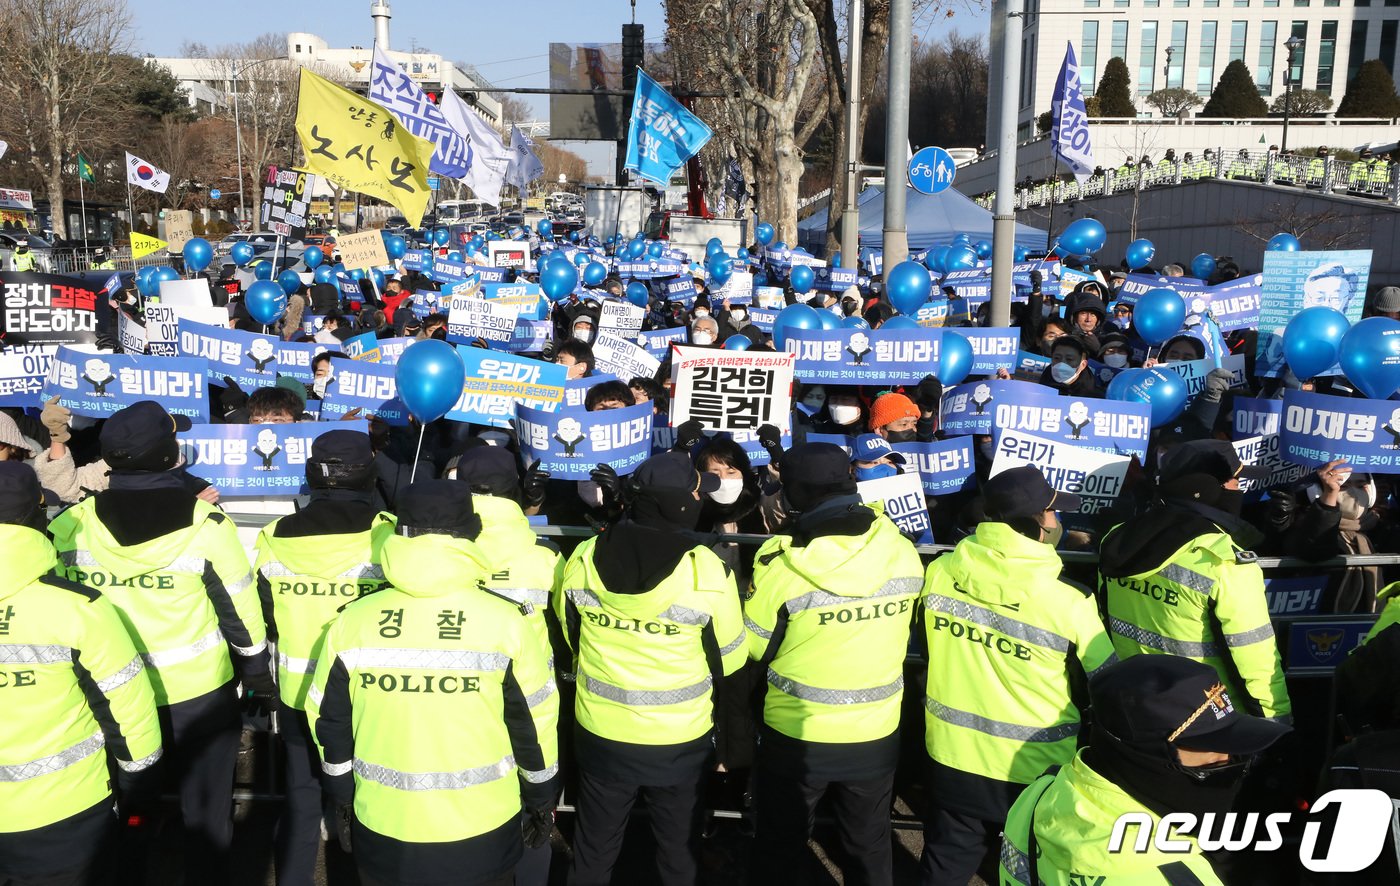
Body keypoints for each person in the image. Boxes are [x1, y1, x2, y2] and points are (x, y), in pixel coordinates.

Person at [47, 400, 273, 886]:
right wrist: (257, 674)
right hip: (198, 696)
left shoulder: (71, 524)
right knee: (206, 812)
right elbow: (240, 611)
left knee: (130, 805)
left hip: (108, 695)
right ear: (170, 456)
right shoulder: (207, 524)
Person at [307, 480, 560, 886]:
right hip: (483, 829)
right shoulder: (505, 622)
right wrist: (541, 797)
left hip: (384, 825)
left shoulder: (353, 620)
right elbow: (534, 722)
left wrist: (341, 797)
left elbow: (328, 719)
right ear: (472, 534)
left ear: (397, 533)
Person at [918, 466, 1117, 885]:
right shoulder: (1070, 601)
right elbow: (1107, 685)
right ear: (1034, 526)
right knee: (1033, 869)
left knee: (945, 863)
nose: (1057, 520)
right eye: (1052, 512)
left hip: (951, 753)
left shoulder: (940, 571)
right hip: (1036, 769)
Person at [555, 451, 747, 886]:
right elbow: (731, 658)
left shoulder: (584, 555)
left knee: (593, 850)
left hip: (601, 731)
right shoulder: (705, 568)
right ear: (680, 503)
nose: (701, 497)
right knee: (678, 853)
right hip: (678, 740)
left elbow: (570, 636)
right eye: (697, 491)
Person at [745, 443, 924, 885]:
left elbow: (754, 647)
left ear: (794, 494)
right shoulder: (901, 550)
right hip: (875, 731)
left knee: (781, 846)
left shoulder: (780, 563)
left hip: (797, 734)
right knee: (869, 846)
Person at [0, 461, 164, 886]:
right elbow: (127, 707)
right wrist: (138, 789)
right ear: (38, 514)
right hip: (65, 813)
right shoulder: (78, 608)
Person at [999, 655, 1291, 886]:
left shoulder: (1038, 794)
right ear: (1140, 759)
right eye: (1208, 748)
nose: (1227, 759)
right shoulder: (1182, 876)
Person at [253, 431, 392, 886]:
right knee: (373, 796)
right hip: (371, 694)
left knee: (301, 797)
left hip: (298, 692)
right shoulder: (388, 534)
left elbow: (266, 615)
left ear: (312, 473)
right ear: (369, 474)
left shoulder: (275, 535)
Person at [1098, 440, 1291, 720]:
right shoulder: (1224, 562)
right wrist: (1276, 720)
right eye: (1235, 480)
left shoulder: (1117, 539)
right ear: (1210, 489)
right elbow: (1255, 658)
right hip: (1207, 718)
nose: (1240, 488)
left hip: (1135, 706)